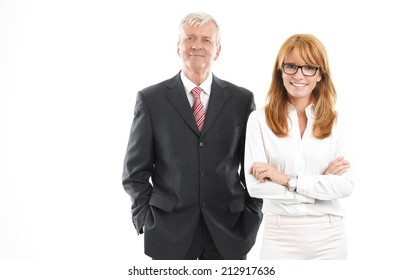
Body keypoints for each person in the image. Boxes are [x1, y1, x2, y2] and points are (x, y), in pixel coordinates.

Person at [122, 12, 263, 260]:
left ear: (217, 50)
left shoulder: (242, 100)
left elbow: (254, 168)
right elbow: (135, 172)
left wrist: (252, 214)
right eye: (189, 38)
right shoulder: (151, 100)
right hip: (168, 230)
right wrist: (144, 217)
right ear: (178, 47)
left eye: (206, 40)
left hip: (229, 231)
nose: (197, 45)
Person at [244, 34, 355, 260]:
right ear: (280, 71)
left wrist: (286, 179)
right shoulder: (259, 120)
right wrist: (318, 185)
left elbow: (345, 185)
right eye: (291, 66)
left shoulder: (336, 122)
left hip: (330, 235)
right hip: (279, 235)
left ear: (320, 75)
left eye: (309, 68)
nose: (298, 75)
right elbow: (256, 188)